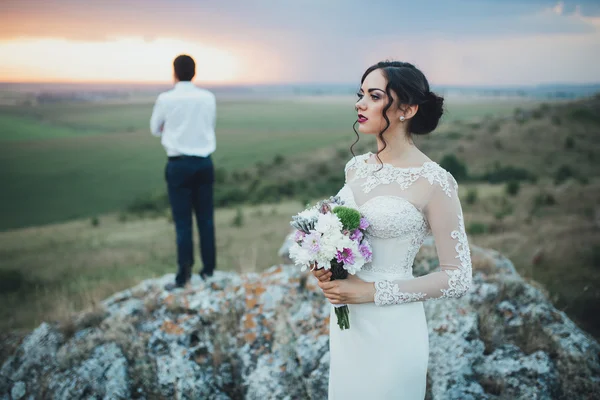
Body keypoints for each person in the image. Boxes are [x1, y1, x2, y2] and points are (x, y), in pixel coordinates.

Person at [311, 61, 473, 399]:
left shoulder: (434, 181)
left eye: (374, 96)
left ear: (408, 109)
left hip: (394, 326)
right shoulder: (355, 168)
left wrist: (370, 292)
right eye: (361, 95)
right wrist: (327, 266)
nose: (360, 104)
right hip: (348, 325)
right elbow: (347, 240)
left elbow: (457, 277)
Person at [150, 54, 217, 290]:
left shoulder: (165, 99)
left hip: (178, 165)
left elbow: (154, 129)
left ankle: (184, 274)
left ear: (174, 73)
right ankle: (209, 271)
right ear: (194, 72)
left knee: (182, 223)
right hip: (204, 163)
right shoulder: (208, 98)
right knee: (206, 220)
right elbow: (209, 125)